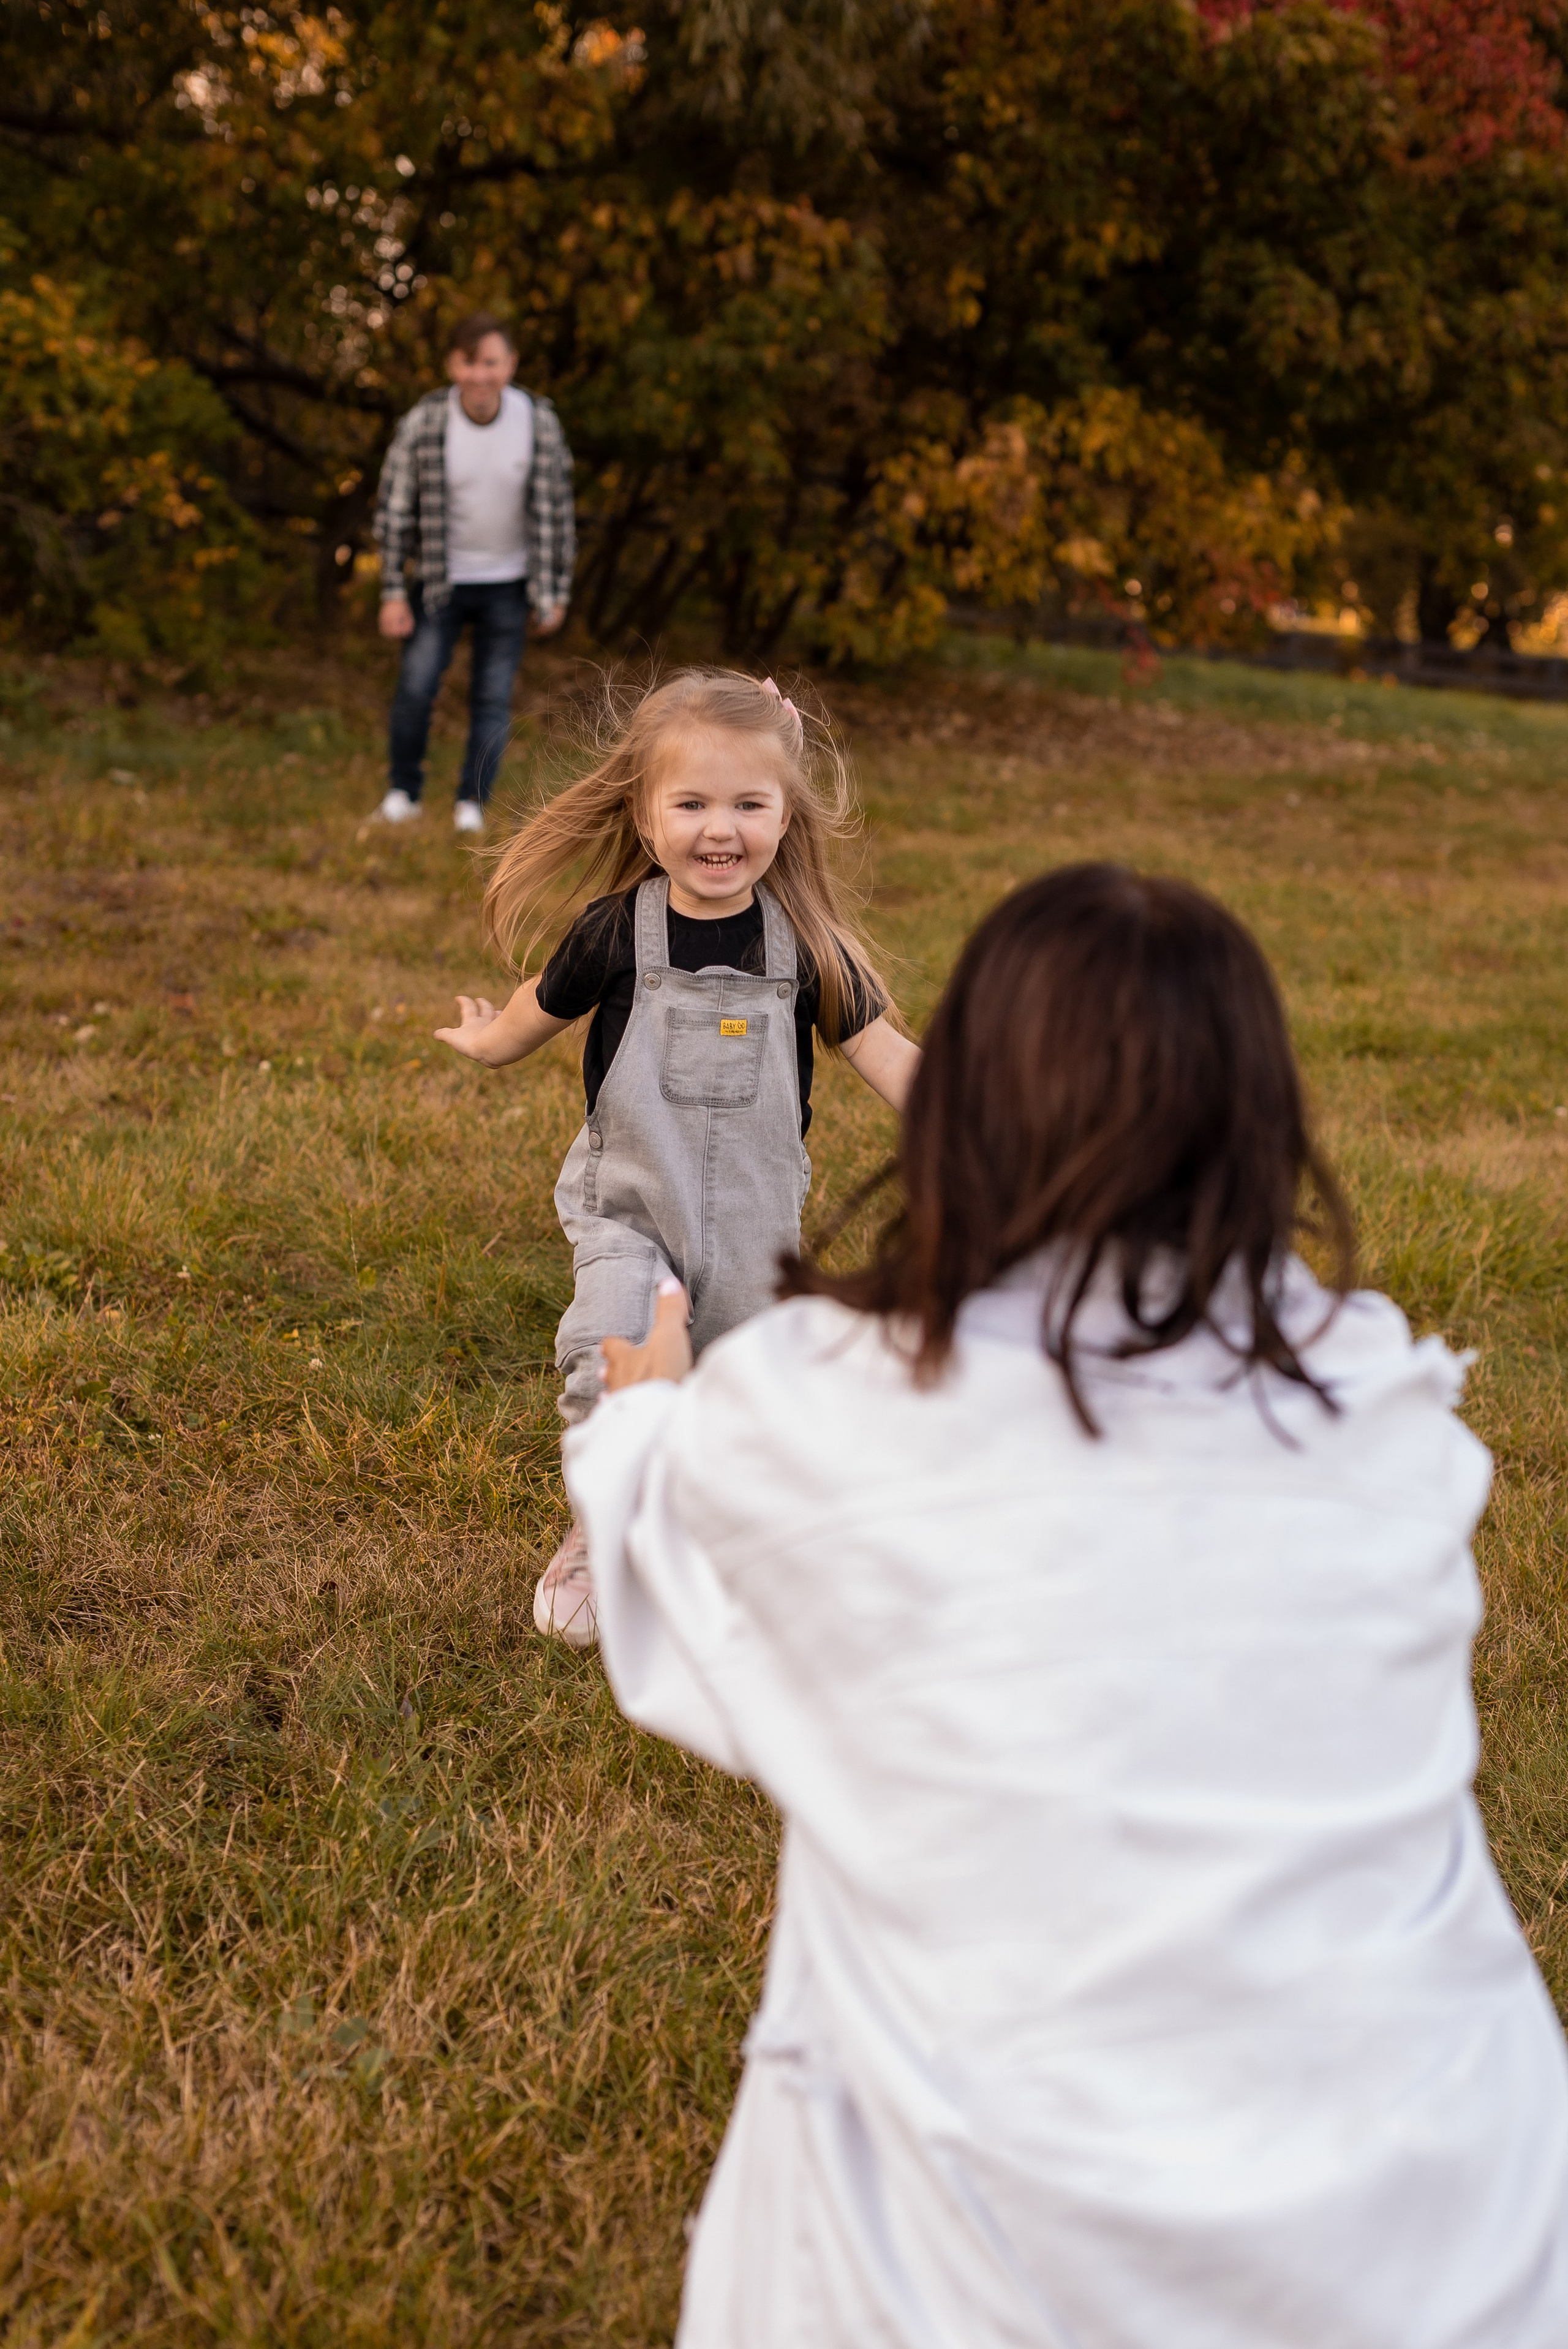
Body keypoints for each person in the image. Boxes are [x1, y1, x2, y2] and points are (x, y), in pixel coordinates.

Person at [563, 864, 1568, 2349]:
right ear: (1255, 1118)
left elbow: (690, 1637)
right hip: (1449, 2234)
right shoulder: (1379, 1404)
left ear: (968, 1101)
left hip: (988, 2266)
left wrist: (641, 1418)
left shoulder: (827, 1405)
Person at [433, 668, 921, 1646]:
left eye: (749, 802)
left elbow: (879, 1049)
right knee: (611, 1357)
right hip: (630, 1209)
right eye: (692, 802)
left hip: (753, 1230)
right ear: (647, 815)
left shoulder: (808, 949)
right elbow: (542, 1004)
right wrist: (490, 1041)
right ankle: (597, 1535)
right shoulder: (617, 930)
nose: (719, 828)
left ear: (787, 816)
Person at [371, 310, 575, 835]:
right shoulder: (428, 420)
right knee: (417, 685)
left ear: (509, 365)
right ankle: (402, 793)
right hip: (440, 580)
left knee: (491, 695)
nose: (480, 375)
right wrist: (393, 591)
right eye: (469, 362)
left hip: (509, 584)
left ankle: (471, 803)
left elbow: (556, 510)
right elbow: (396, 509)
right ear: (452, 365)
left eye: (491, 362)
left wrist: (552, 591)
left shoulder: (537, 420)